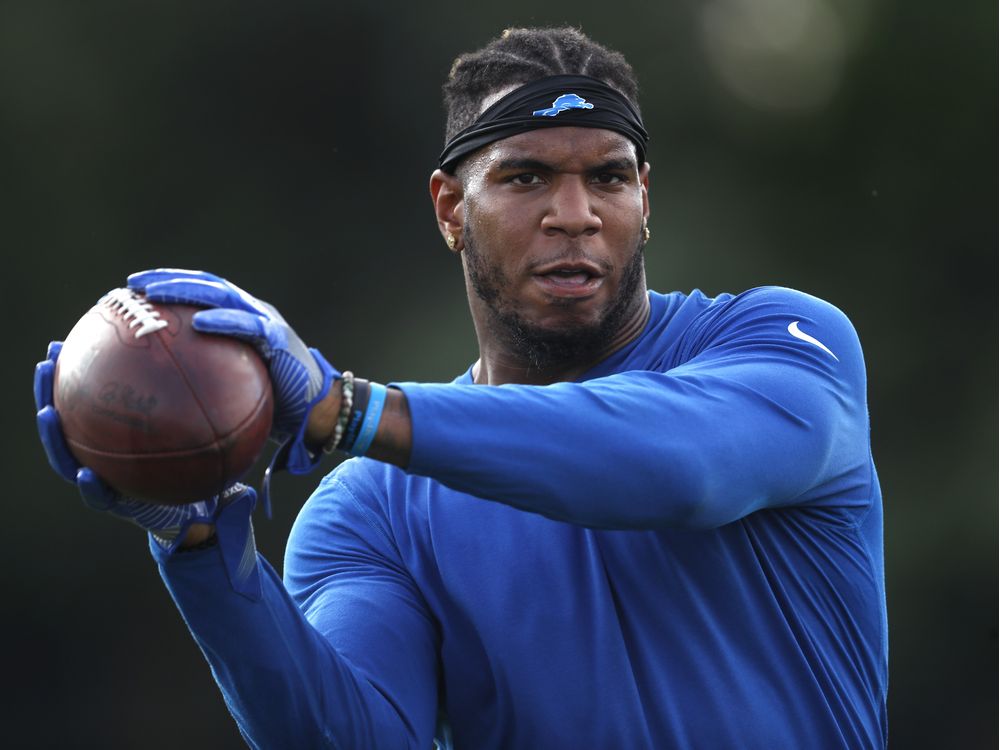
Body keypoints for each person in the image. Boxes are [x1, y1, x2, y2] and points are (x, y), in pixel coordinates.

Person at [34, 27, 888, 750]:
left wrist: (353, 411)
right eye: (526, 178)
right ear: (450, 209)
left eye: (608, 176)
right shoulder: (372, 508)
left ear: (644, 198)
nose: (575, 213)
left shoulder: (783, 343)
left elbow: (683, 469)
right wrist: (201, 558)